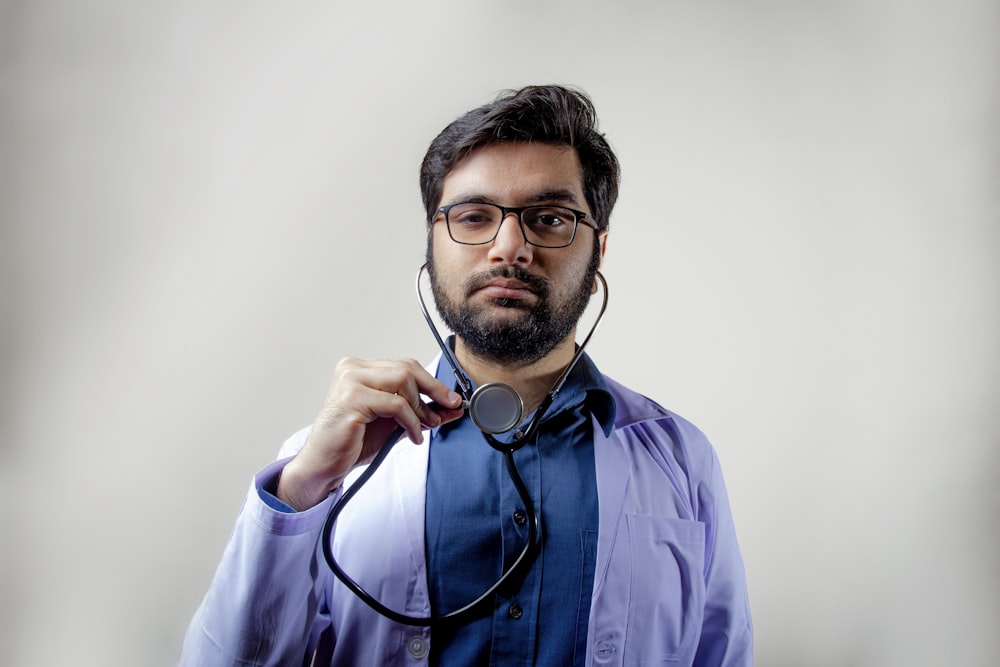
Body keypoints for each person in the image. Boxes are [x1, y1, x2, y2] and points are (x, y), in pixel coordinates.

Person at [181, 84, 753, 666]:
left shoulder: (680, 460)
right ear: (431, 246)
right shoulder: (325, 464)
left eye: (550, 218)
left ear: (598, 249)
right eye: (474, 216)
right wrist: (301, 492)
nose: (510, 248)